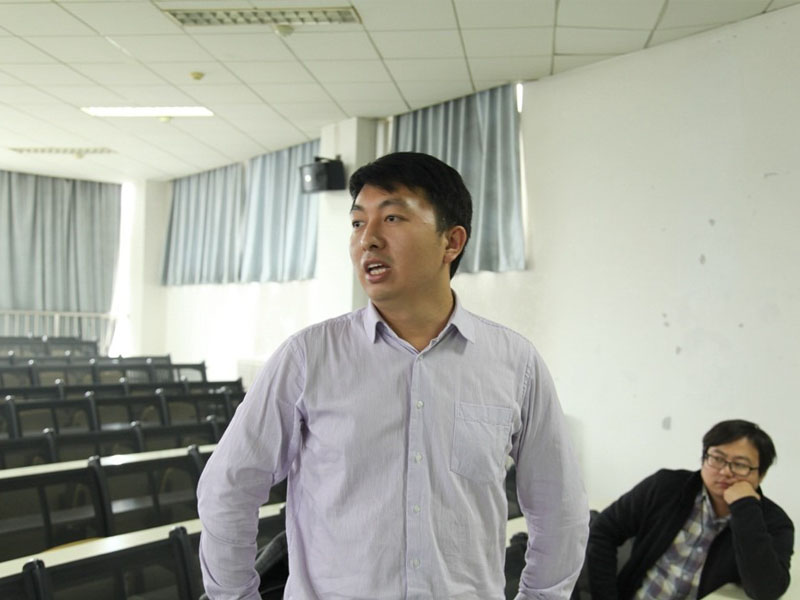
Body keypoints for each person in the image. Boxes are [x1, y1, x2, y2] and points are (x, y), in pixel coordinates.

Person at [197, 151, 589, 600]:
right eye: (357, 223)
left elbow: (560, 507)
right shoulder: (308, 357)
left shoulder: (514, 362)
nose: (368, 239)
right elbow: (229, 488)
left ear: (452, 242)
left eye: (393, 218)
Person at [587, 419, 794, 600]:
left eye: (740, 465)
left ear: (761, 475)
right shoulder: (665, 487)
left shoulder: (775, 523)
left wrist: (745, 509)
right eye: (717, 458)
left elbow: (766, 591)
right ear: (704, 458)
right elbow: (603, 530)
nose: (725, 471)